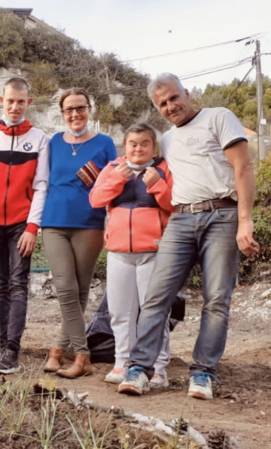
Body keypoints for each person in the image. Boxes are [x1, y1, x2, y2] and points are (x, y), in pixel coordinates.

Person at [118, 73, 259, 400]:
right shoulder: (166, 140)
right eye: (162, 103)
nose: (170, 106)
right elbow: (137, 159)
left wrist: (245, 220)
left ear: (187, 93)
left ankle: (203, 373)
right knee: (156, 295)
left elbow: (243, 168)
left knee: (217, 299)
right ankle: (139, 369)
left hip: (223, 214)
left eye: (173, 98)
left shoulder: (218, 117)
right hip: (181, 219)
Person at [0, 77, 49, 374]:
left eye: (21, 101)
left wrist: (32, 227)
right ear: (0, 101)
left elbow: (41, 186)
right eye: (10, 101)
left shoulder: (39, 139)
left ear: (29, 103)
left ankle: (12, 350)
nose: (15, 106)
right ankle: (3, 348)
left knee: (17, 285)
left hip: (20, 225)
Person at [40, 87, 118, 378]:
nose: (75, 114)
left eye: (80, 107)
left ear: (89, 109)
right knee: (65, 288)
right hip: (54, 223)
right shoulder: (53, 143)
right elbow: (41, 182)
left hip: (90, 224)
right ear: (62, 113)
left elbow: (114, 184)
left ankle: (58, 351)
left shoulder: (105, 143)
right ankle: (82, 356)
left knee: (80, 291)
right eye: (69, 109)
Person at [89, 123, 174, 388]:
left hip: (153, 252)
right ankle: (122, 362)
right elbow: (95, 199)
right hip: (118, 252)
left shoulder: (162, 169)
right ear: (125, 146)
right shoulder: (113, 169)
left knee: (153, 312)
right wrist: (118, 179)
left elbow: (174, 203)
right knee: (119, 312)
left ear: (153, 147)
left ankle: (158, 368)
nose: (138, 148)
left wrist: (157, 185)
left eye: (144, 143)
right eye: (133, 144)